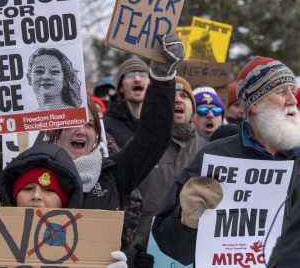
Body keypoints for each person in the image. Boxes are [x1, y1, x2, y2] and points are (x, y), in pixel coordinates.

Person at [151, 56, 300, 265]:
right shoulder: (217, 155)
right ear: (255, 103)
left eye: (292, 91)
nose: (292, 100)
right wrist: (187, 221)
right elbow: (168, 245)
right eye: (282, 92)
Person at [46, 34, 182, 260]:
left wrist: (162, 77)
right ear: (56, 131)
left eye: (89, 125)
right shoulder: (34, 174)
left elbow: (153, 136)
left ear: (97, 134)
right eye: (73, 124)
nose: (81, 131)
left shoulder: (114, 175)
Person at [0, 143, 127, 267]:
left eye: (48, 190)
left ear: (64, 201)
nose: (36, 195)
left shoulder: (88, 247)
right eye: (27, 189)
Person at [125, 76, 209, 267]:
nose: (178, 99)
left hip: (194, 256)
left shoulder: (209, 150)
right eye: (172, 96)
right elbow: (122, 206)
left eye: (184, 96)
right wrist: (131, 256)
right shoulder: (140, 146)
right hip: (145, 255)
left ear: (192, 108)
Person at [103, 58, 151, 148]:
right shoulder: (106, 126)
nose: (137, 79)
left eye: (143, 74)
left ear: (150, 83)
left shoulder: (160, 123)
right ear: (121, 87)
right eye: (130, 75)